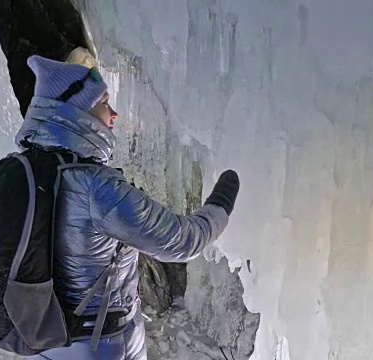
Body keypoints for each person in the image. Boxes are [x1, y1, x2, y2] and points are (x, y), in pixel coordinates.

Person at [16, 54, 240, 360]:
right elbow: (183, 241)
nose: (115, 114)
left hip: (47, 339)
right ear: (78, 111)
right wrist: (221, 204)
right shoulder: (96, 188)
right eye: (104, 102)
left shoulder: (28, 170)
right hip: (99, 343)